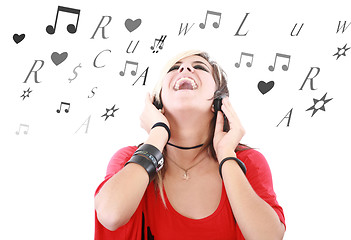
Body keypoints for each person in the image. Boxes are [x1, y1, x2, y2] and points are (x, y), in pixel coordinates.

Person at [94, 50, 286, 239]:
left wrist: (226, 155)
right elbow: (110, 215)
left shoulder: (247, 161)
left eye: (199, 67)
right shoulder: (129, 160)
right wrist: (158, 133)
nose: (185, 68)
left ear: (218, 102)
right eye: (175, 68)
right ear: (158, 102)